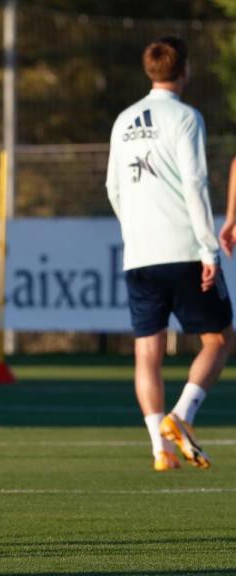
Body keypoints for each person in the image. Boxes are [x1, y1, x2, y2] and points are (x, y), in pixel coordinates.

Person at [106, 36, 234, 473]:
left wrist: (135, 230)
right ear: (185, 70)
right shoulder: (185, 117)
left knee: (148, 351)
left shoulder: (122, 121)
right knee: (219, 339)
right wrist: (207, 248)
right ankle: (182, 417)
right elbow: (195, 185)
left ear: (149, 71)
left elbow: (113, 187)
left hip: (139, 252)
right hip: (182, 247)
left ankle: (159, 451)